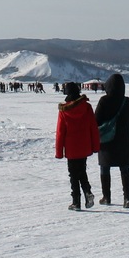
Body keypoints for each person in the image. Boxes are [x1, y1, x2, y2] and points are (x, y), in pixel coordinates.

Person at [55, 82, 99, 211]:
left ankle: (76, 201)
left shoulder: (64, 110)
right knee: (81, 171)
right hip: (84, 146)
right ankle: (87, 192)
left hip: (71, 147)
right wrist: (95, 146)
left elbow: (60, 132)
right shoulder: (86, 107)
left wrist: (59, 152)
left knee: (73, 175)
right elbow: (93, 128)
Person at [94, 73, 129, 208]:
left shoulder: (104, 101)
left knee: (105, 168)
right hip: (124, 140)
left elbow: (96, 120)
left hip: (107, 140)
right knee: (125, 169)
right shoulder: (127, 101)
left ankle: (107, 197)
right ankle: (127, 198)